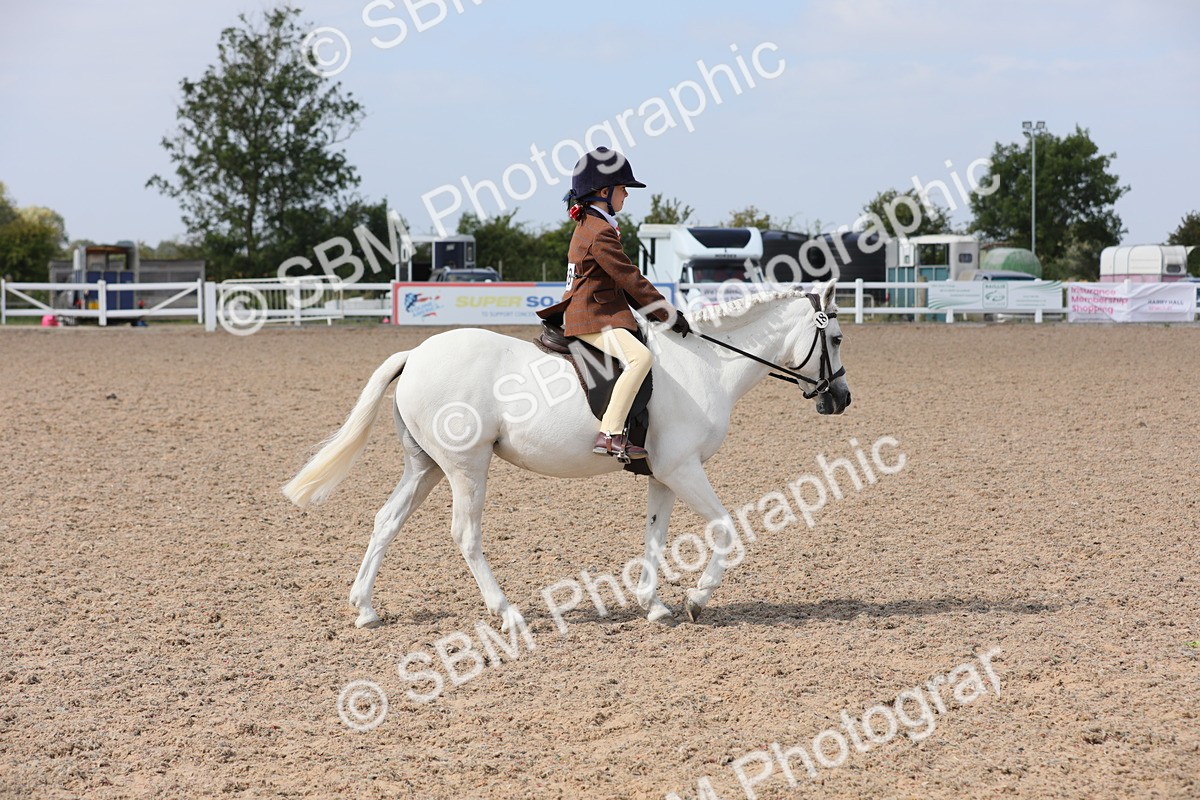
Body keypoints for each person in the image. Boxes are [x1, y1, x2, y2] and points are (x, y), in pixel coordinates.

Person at [537, 147, 691, 459]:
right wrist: (669, 313)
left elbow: (625, 284)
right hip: (592, 316)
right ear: (604, 192)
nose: (626, 195)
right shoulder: (599, 231)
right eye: (623, 189)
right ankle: (609, 433)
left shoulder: (594, 224)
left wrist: (659, 315)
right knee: (639, 358)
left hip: (596, 311)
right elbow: (630, 278)